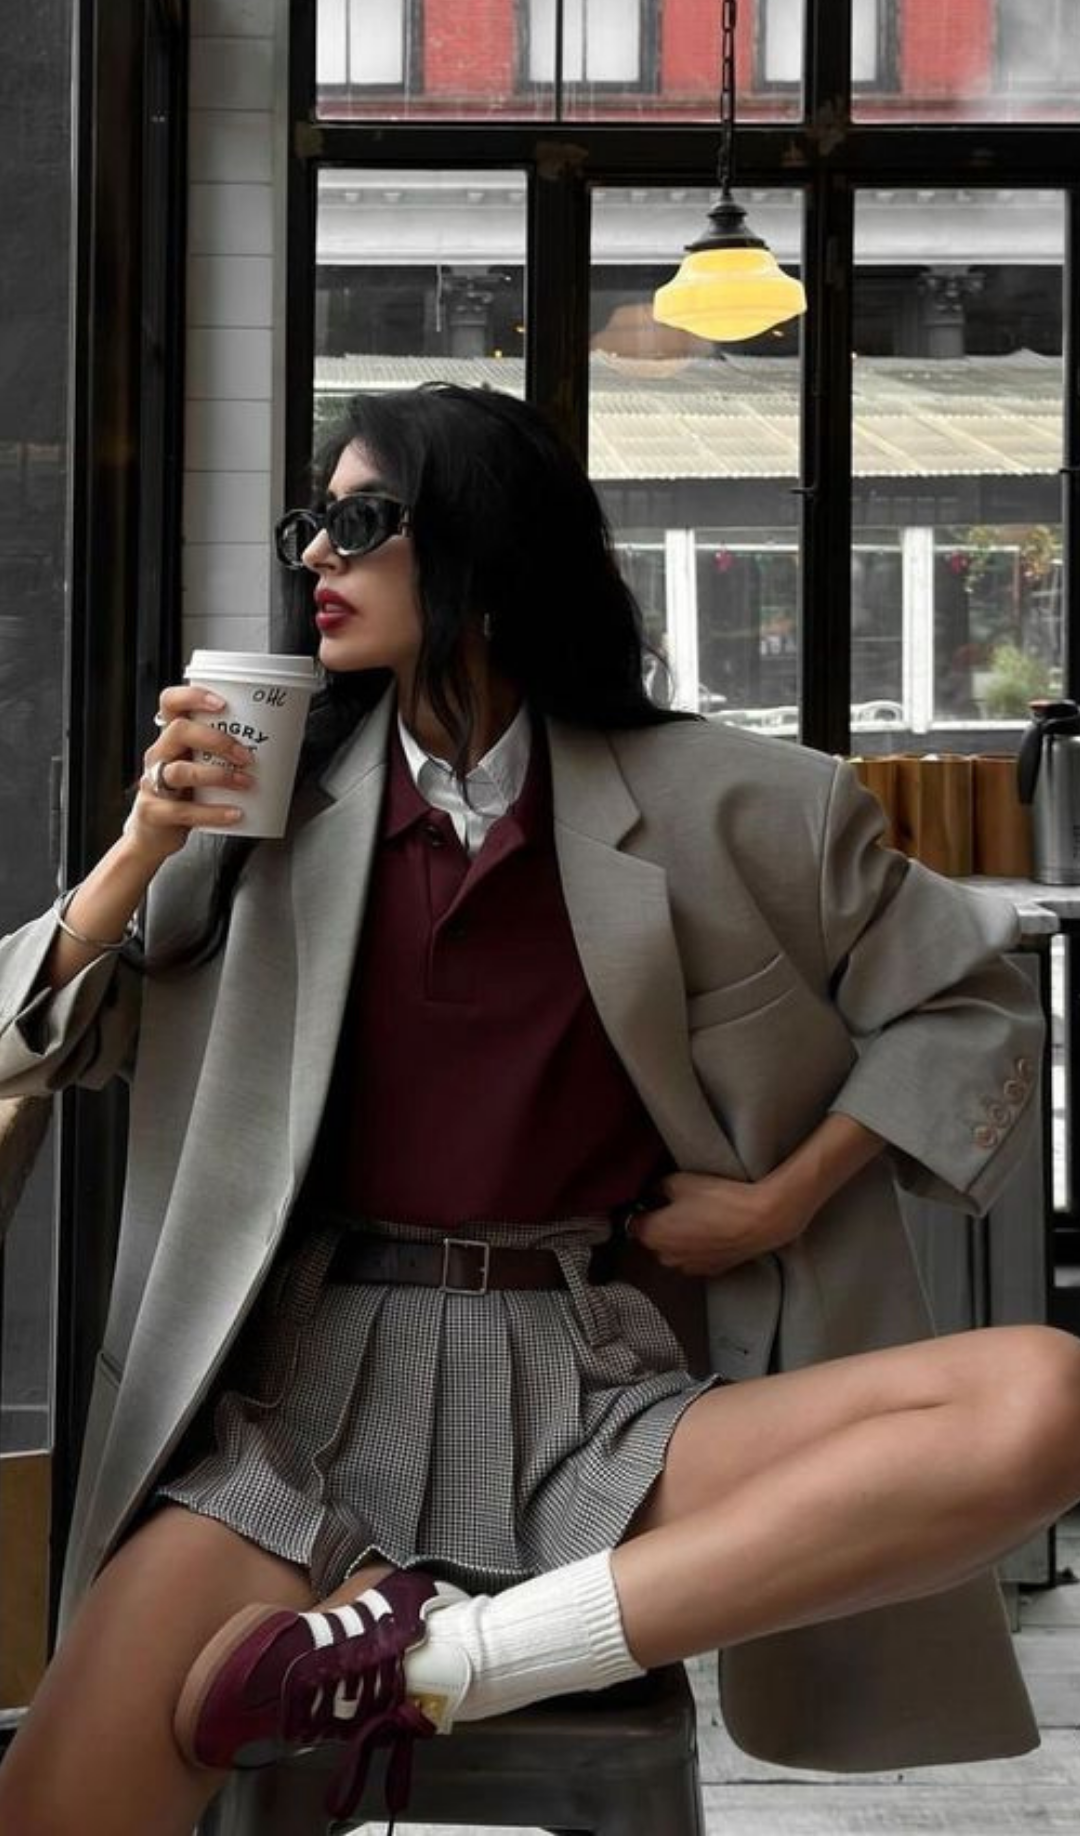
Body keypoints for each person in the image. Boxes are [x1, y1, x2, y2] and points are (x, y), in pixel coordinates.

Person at [0, 383, 1078, 1836]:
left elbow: (970, 1008)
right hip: (300, 1406)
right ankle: (369, 1652)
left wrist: (781, 1199)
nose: (317, 554)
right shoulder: (254, 815)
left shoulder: (745, 805)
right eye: (308, 522)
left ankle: (439, 1666)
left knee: (1044, 1400)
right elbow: (34, 1042)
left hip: (601, 1394)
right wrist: (137, 851)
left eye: (361, 519)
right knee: (62, 1803)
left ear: (492, 555)